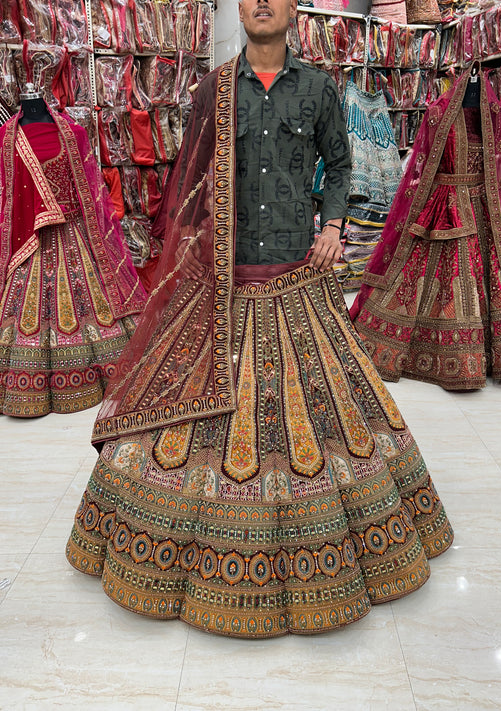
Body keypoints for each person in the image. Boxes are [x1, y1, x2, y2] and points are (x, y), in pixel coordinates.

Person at [66, 0, 453, 638]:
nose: (263, 3)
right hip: (222, 284)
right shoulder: (212, 91)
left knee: (324, 418)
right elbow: (188, 183)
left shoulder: (321, 87)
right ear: (242, 8)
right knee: (189, 413)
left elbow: (342, 165)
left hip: (296, 276)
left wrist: (334, 224)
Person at [350, 66, 501, 391]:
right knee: (445, 278)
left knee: (484, 278)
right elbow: (422, 166)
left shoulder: (495, 116)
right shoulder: (437, 114)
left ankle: (493, 354)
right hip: (447, 207)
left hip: (484, 210)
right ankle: (450, 354)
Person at [0, 84, 146, 417]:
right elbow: (8, 199)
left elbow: (92, 191)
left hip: (76, 235)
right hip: (29, 241)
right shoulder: (5, 139)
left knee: (88, 305)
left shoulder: (75, 133)